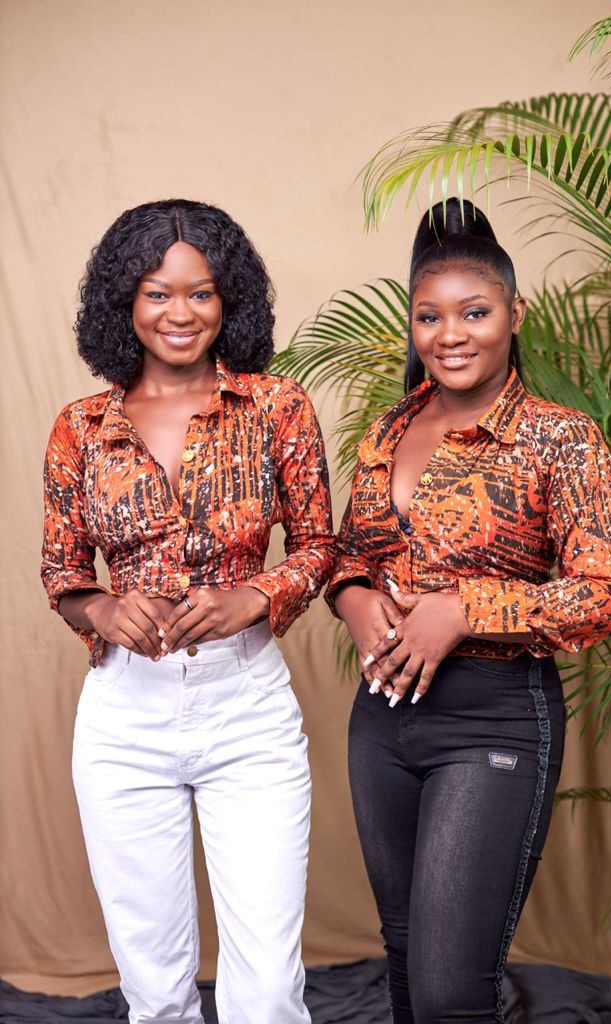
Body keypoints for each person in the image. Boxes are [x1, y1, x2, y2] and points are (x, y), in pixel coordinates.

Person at [327, 199, 611, 1024]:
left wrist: (466, 609)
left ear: (515, 314)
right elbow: (351, 554)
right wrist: (354, 599)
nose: (451, 334)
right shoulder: (388, 429)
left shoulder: (558, 438)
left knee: (448, 987)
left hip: (494, 723)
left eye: (475, 312)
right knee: (402, 958)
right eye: (429, 316)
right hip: (382, 721)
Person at [41, 199, 335, 1024]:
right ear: (123, 304)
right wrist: (98, 608)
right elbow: (62, 569)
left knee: (270, 992)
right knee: (156, 991)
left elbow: (320, 546)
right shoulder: (79, 428)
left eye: (201, 293)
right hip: (124, 714)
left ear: (229, 300)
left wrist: (257, 595)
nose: (181, 314)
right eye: (157, 294)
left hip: (247, 707)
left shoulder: (276, 408)